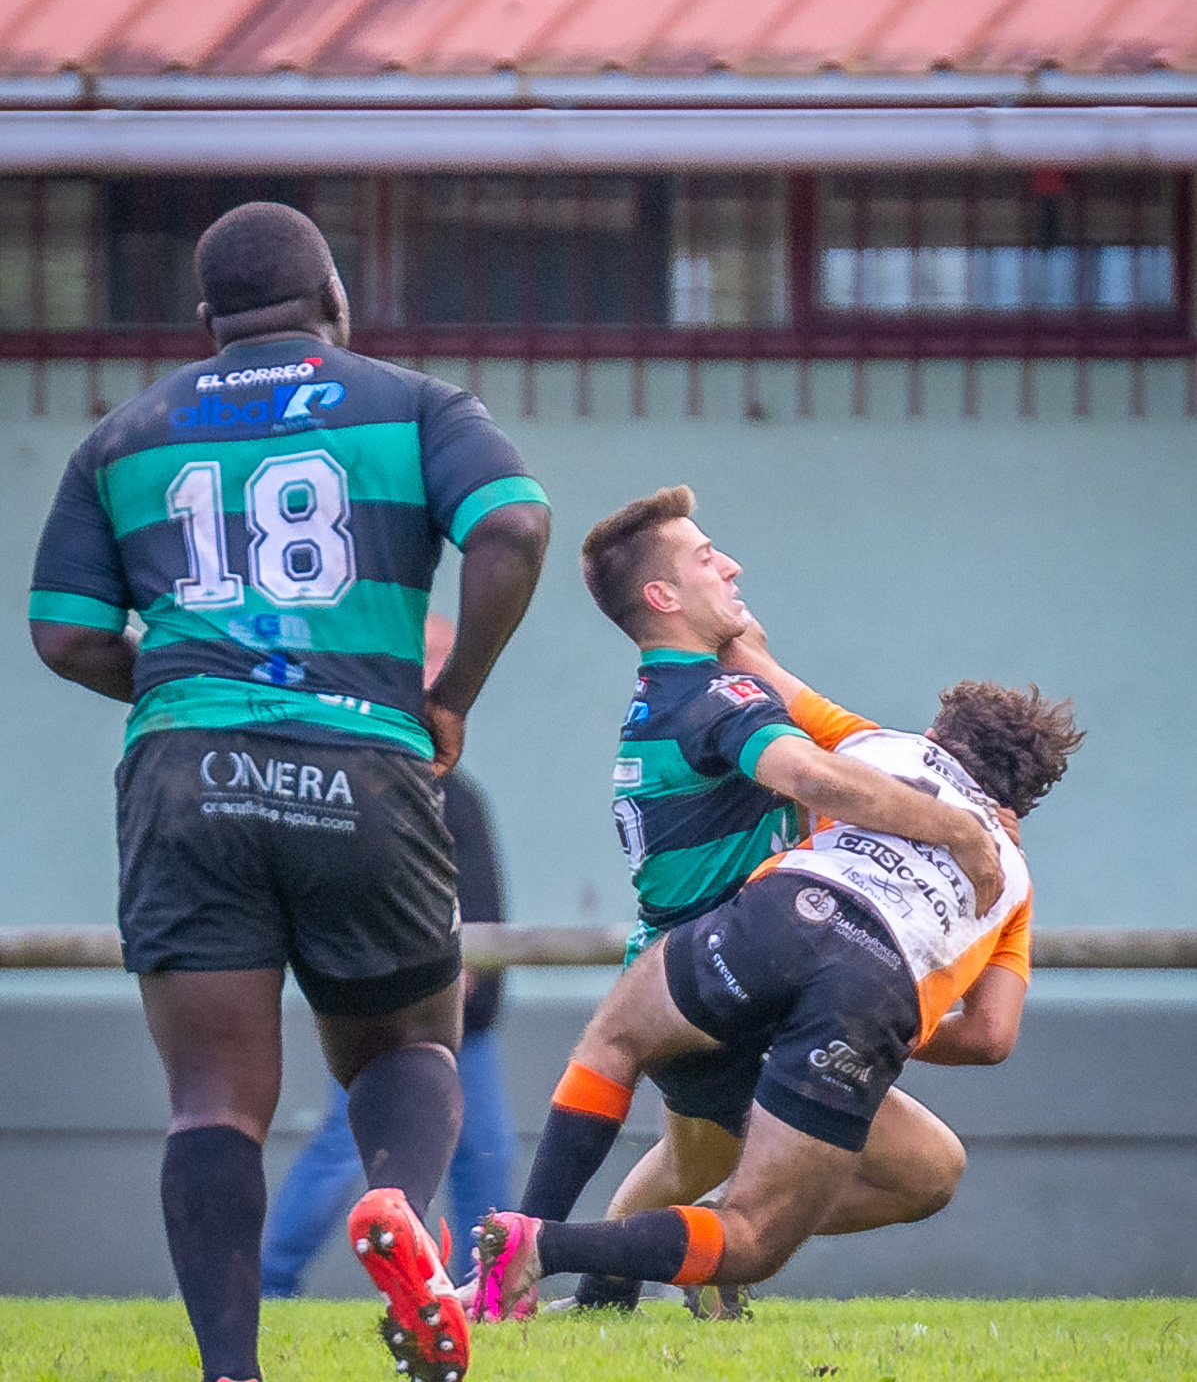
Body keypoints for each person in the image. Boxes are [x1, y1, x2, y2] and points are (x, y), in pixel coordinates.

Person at [29, 201, 550, 1382]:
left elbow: (61, 631)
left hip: (184, 776)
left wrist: (175, 679)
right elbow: (514, 526)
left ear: (205, 322)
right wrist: (448, 694)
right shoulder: (417, 405)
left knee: (213, 1095)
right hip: (362, 758)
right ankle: (393, 1203)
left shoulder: (123, 436)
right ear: (337, 303)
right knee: (412, 1046)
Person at [501, 485, 1006, 1319]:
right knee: (926, 1171)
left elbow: (793, 723)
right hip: (736, 987)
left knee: (691, 1156)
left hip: (684, 981)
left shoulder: (673, 695)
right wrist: (957, 828)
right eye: (706, 557)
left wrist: (755, 652)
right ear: (662, 598)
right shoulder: (715, 702)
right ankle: (637, 1256)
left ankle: (596, 1290)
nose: (730, 564)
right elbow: (811, 775)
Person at [473, 671, 1083, 1320]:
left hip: (742, 949)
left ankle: (592, 1283)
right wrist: (893, 1032)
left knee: (683, 1142)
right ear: (1018, 803)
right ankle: (638, 1251)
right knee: (912, 1177)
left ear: (934, 734)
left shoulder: (871, 744)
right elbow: (991, 1036)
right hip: (848, 1004)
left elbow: (753, 657)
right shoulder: (1009, 876)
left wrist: (707, 603)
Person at [261, 613, 515, 1294]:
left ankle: (486, 1295)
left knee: (485, 1164)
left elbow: (479, 902)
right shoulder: (367, 778)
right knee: (346, 1152)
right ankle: (267, 1283)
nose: (441, 673)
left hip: (474, 1029)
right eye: (426, 657)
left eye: (444, 658)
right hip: (394, 1015)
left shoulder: (452, 788)